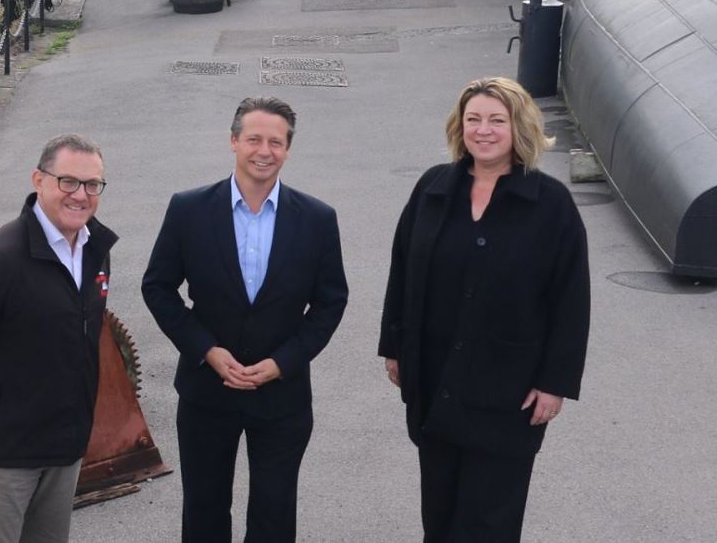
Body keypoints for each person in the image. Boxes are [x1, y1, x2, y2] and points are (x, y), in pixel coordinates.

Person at [378, 77, 590, 543]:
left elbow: (571, 300)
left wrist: (554, 383)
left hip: (507, 393)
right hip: (435, 382)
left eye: (498, 120)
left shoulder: (551, 204)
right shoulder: (433, 188)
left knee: (489, 523)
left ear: (520, 127)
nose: (484, 130)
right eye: (473, 119)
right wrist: (395, 347)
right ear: (460, 127)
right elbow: (403, 271)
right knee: (439, 515)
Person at [142, 97, 348, 543]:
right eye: (254, 139)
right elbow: (157, 287)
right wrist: (206, 351)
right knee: (205, 508)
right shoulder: (188, 209)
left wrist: (283, 362)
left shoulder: (317, 219)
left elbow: (331, 302)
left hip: (282, 396)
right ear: (234, 141)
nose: (264, 150)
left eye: (276, 141)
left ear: (288, 150)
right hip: (205, 392)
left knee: (275, 513)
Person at [0, 133, 117, 543]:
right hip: (2, 454)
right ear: (39, 180)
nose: (80, 195)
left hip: (64, 448)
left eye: (92, 184)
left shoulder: (95, 250)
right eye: (68, 181)